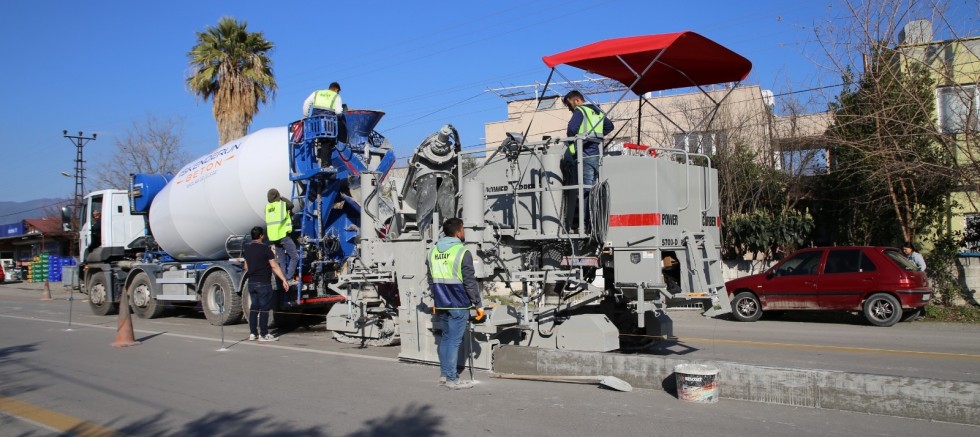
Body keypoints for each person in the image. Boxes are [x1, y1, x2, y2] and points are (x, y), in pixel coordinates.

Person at [427, 218, 482, 390]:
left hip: (442, 302)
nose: (464, 232)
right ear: (458, 232)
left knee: (445, 338)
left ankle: (445, 375)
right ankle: (452, 379)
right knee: (454, 341)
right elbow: (469, 281)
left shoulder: (432, 251)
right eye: (463, 229)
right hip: (459, 303)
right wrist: (478, 304)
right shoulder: (462, 252)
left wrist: (435, 299)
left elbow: (430, 279)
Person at [561, 90, 614, 232]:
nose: (570, 109)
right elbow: (609, 126)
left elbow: (571, 130)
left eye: (569, 105)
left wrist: (577, 141)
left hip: (584, 156)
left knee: (584, 192)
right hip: (596, 156)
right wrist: (594, 137)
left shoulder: (580, 111)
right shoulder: (597, 111)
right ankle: (593, 223)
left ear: (577, 100)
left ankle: (585, 226)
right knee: (593, 191)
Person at [243, 226, 289, 342]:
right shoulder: (265, 249)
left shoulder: (247, 249)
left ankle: (253, 333)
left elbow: (246, 267)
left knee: (254, 307)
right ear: (261, 236)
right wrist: (283, 279)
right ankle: (264, 334)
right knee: (264, 309)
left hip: (251, 282)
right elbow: (274, 265)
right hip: (263, 282)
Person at [265, 188, 298, 286]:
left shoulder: (267, 207)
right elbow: (291, 205)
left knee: (281, 260)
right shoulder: (282, 204)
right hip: (283, 235)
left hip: (274, 237)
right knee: (294, 256)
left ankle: (283, 280)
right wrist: (281, 198)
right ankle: (289, 278)